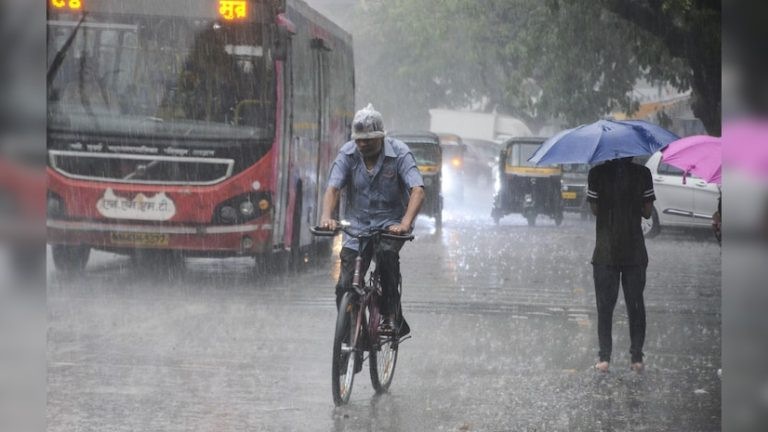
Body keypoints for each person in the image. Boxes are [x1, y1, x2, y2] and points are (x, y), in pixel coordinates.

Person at [319, 103, 424, 338]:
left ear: (381, 137)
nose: (362, 144)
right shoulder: (347, 154)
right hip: (356, 226)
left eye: (368, 140)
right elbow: (333, 189)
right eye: (359, 140)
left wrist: (405, 224)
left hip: (391, 225)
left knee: (387, 256)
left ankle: (390, 314)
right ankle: (349, 340)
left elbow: (418, 191)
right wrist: (327, 217)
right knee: (344, 286)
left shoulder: (400, 154)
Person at [586, 157, 655, 373]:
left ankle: (604, 358)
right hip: (634, 250)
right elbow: (647, 212)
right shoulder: (643, 174)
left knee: (605, 307)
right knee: (635, 306)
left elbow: (595, 210)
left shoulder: (596, 173)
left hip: (606, 251)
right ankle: (636, 358)